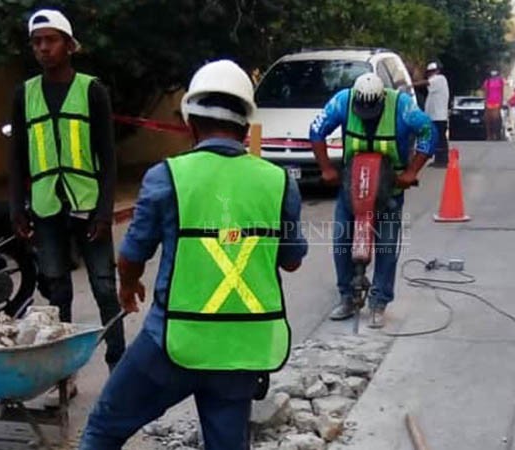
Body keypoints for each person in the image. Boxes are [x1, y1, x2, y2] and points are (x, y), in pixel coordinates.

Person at [80, 60, 308, 450]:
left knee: (103, 429)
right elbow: (291, 259)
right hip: (242, 349)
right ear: (246, 124)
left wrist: (129, 285)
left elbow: (131, 255)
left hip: (172, 343)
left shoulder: (166, 176)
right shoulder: (279, 182)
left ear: (190, 123)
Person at [8, 9, 126, 390]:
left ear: (69, 45)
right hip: (45, 206)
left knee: (105, 288)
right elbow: (16, 157)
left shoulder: (92, 90)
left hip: (88, 204)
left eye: (51, 39)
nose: (44, 47)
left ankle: (117, 368)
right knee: (57, 291)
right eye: (37, 41)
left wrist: (105, 211)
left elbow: (108, 158)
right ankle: (64, 375)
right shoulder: (23, 94)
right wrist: (16, 208)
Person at [310, 73, 435, 329]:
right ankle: (348, 296)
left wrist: (411, 172)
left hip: (389, 189)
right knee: (342, 242)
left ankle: (379, 301)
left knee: (387, 246)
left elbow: (427, 131)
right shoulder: (343, 101)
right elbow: (316, 129)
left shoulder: (402, 106)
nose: (367, 113)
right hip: (351, 185)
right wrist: (326, 168)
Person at [410, 62, 450, 166]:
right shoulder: (434, 83)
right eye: (429, 72)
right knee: (435, 138)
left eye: (432, 72)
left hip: (439, 116)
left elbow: (425, 83)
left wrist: (409, 84)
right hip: (433, 116)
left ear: (437, 71)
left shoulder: (440, 78)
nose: (431, 74)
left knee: (441, 138)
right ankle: (438, 159)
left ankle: (443, 160)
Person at [482, 70, 505, 141]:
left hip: (497, 103)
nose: (494, 77)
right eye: (493, 76)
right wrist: (485, 102)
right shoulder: (487, 82)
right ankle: (489, 135)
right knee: (488, 120)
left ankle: (496, 135)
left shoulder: (500, 81)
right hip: (489, 103)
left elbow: (502, 91)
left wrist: (501, 101)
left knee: (496, 120)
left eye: (495, 75)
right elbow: (485, 92)